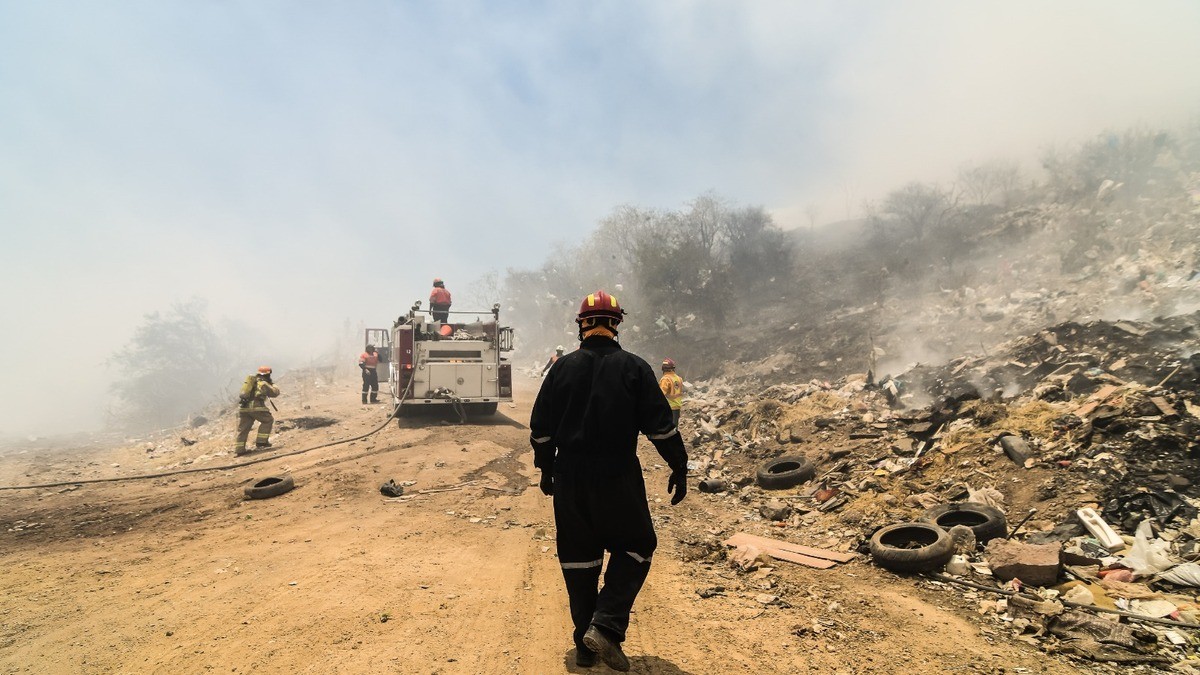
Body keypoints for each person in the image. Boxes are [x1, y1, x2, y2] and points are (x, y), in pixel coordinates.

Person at [529, 290, 688, 671]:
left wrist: (547, 469)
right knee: (637, 545)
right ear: (616, 325)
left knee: (579, 562)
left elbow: (541, 431)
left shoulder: (561, 368)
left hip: (570, 477)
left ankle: (585, 645)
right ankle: (606, 625)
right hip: (618, 476)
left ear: (582, 324)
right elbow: (661, 428)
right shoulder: (635, 368)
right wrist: (679, 466)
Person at [234, 366, 280, 455]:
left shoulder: (251, 382)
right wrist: (273, 384)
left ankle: (239, 450)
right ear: (268, 374)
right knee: (268, 420)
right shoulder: (263, 384)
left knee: (243, 429)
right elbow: (275, 393)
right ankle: (261, 442)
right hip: (256, 407)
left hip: (243, 408)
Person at [659, 358, 684, 426]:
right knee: (674, 427)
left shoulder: (665, 379)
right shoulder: (679, 378)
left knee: (667, 428)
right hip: (677, 406)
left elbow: (660, 395)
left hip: (668, 407)